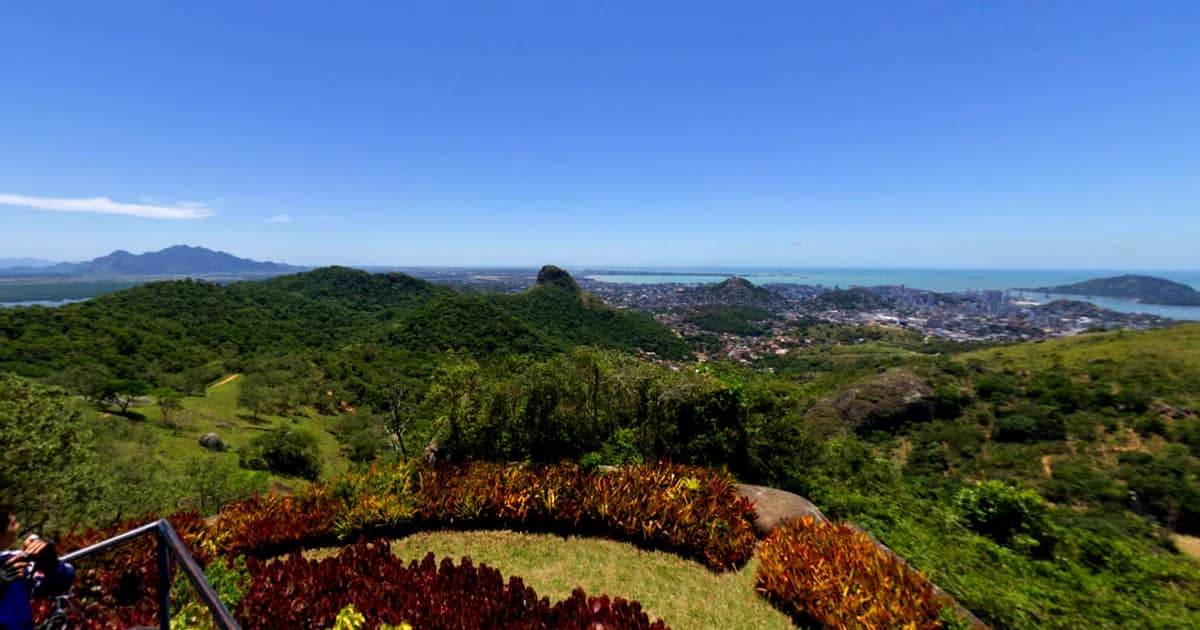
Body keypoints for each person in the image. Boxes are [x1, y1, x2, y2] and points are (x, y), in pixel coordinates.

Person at [0, 505, 74, 630]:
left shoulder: (16, 562)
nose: (18, 527)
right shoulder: (15, 562)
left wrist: (51, 565)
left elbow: (61, 582)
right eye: (13, 524)